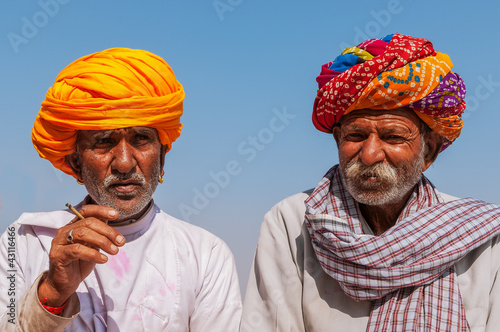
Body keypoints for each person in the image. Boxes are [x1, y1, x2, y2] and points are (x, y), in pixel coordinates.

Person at [240, 33, 500, 331]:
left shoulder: (481, 237)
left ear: (429, 150)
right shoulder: (293, 220)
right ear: (338, 138)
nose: (369, 154)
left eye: (393, 137)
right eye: (356, 135)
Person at [0, 48, 242, 331]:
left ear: (161, 158)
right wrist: (52, 293)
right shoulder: (24, 241)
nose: (125, 163)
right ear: (76, 162)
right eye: (104, 141)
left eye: (141, 139)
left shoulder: (205, 255)